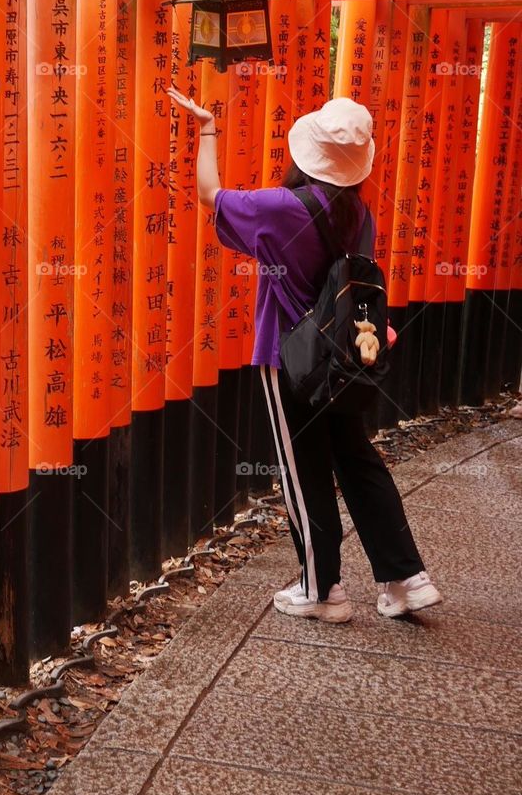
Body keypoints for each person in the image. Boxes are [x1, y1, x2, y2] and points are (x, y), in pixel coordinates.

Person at [167, 88, 442, 623]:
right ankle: (406, 577)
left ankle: (322, 591)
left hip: (288, 358)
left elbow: (209, 194)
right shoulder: (359, 215)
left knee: (302, 471)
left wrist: (207, 128)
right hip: (344, 360)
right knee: (359, 462)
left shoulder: (279, 208)